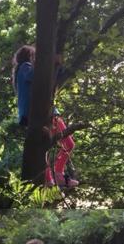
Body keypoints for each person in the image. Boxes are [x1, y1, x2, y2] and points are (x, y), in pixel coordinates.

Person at [11, 45, 79, 187]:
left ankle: (56, 175)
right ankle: (51, 178)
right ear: (29, 56)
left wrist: (57, 67)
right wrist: (51, 64)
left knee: (65, 144)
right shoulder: (25, 67)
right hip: (39, 112)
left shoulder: (27, 68)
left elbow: (51, 80)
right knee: (48, 147)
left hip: (46, 111)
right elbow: (37, 78)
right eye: (34, 56)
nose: (36, 59)